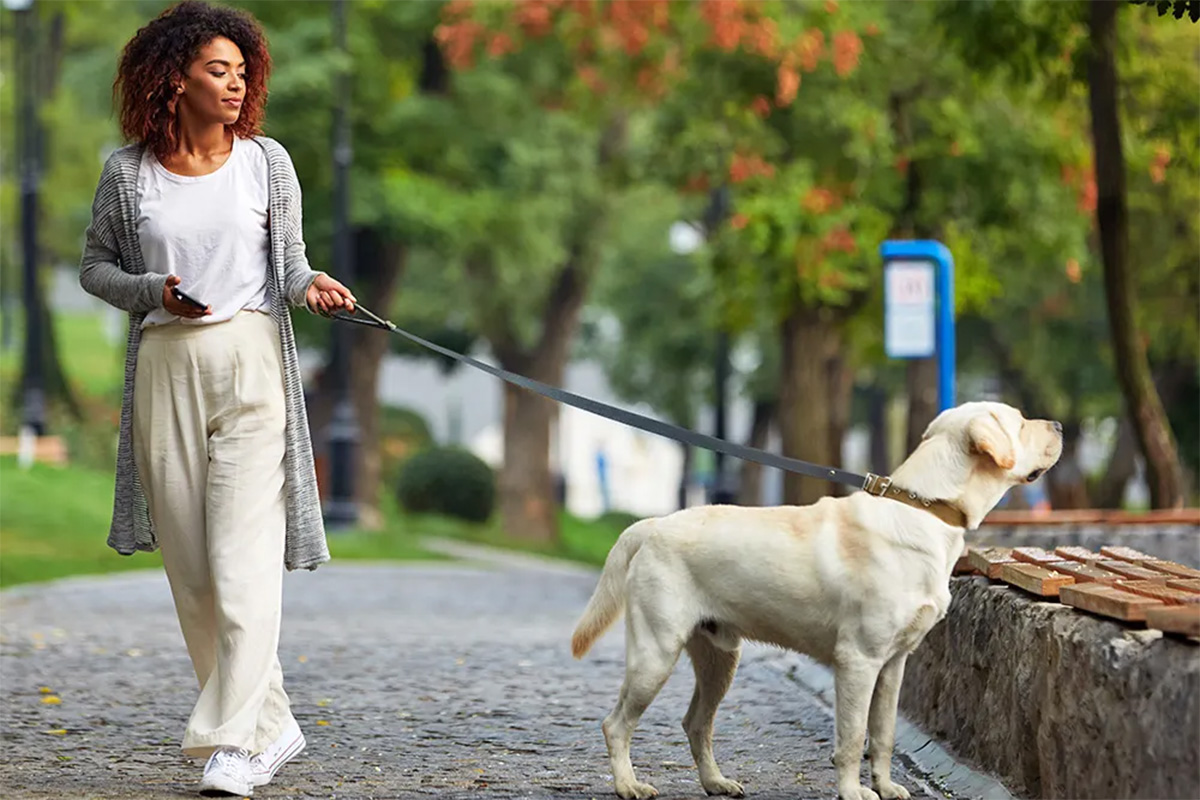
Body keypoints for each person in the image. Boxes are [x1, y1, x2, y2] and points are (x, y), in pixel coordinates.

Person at [79, 2, 354, 795]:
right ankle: (273, 726)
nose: (235, 86)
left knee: (241, 559)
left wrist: (313, 286)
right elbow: (95, 267)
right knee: (195, 572)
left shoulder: (267, 162)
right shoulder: (127, 174)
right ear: (175, 78)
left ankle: (230, 742)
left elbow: (291, 264)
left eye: (241, 72)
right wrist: (149, 289)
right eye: (217, 71)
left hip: (251, 362)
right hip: (166, 362)